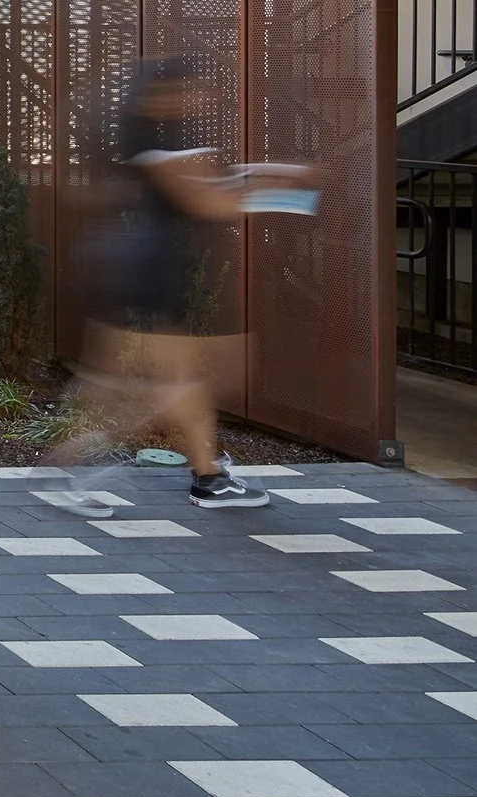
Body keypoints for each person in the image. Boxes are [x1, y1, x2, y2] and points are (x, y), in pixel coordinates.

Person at [46, 57, 314, 514]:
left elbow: (220, 182)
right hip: (148, 270)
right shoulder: (153, 145)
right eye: (188, 90)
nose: (199, 97)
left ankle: (204, 473)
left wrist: (277, 175)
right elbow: (211, 203)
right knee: (171, 384)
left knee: (139, 382)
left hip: (145, 266)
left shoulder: (165, 142)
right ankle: (198, 475)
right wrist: (274, 190)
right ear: (159, 97)